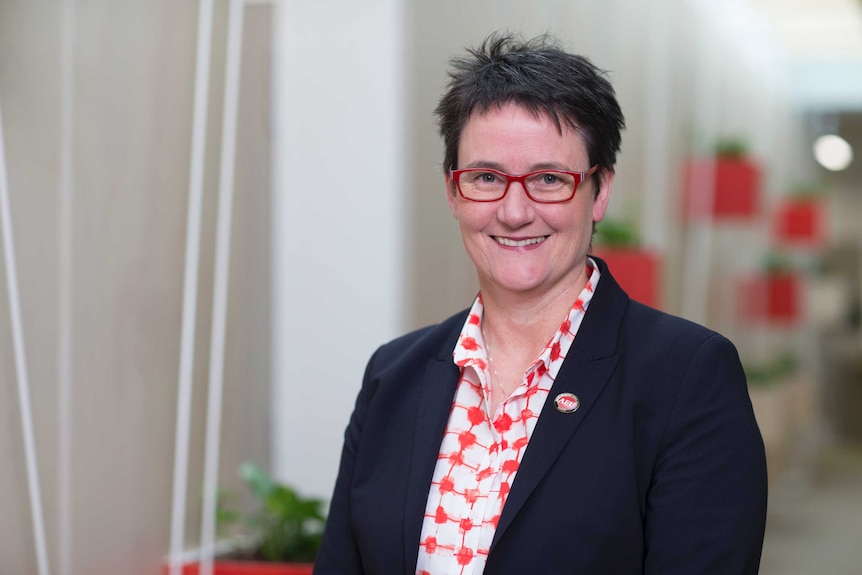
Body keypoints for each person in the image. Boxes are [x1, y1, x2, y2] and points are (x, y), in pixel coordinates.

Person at [313, 33, 767, 575]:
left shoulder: (686, 378)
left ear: (599, 192)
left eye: (548, 179)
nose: (513, 211)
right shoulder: (394, 375)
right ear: (454, 192)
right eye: (486, 178)